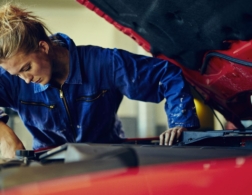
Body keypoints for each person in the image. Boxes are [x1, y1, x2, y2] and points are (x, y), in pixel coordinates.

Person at [0, 3, 200, 158]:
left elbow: (166, 75)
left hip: (108, 162)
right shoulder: (11, 81)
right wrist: (7, 137)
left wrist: (180, 122)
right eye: (17, 74)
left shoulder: (105, 64)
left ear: (43, 47)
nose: (25, 80)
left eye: (27, 68)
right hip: (49, 169)